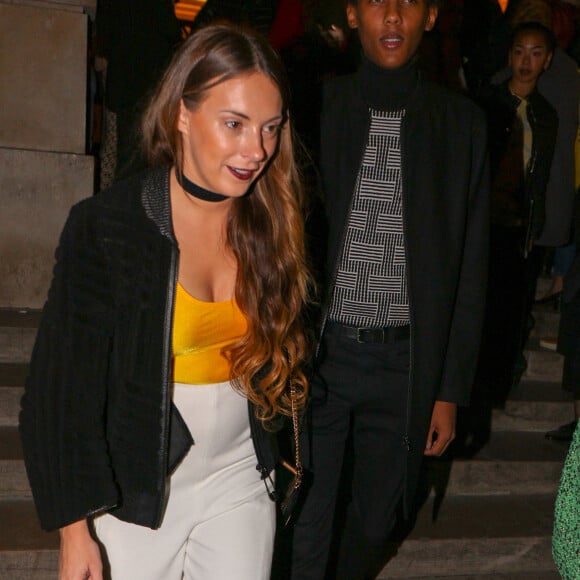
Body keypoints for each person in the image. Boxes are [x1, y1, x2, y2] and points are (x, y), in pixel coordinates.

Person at [19, 22, 311, 580]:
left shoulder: (269, 220)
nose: (257, 151)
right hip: (136, 492)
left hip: (239, 479)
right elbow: (58, 394)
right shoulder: (110, 227)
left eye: (270, 128)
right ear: (182, 112)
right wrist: (74, 529)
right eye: (235, 124)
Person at [289, 1, 489, 578]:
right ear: (352, 15)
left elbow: (470, 265)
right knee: (305, 516)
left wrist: (448, 388)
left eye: (409, 2)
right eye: (378, 0)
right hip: (320, 357)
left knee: (379, 521)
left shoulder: (461, 124)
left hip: (404, 363)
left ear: (431, 16)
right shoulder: (317, 109)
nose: (393, 16)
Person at [476, 21, 558, 401]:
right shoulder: (486, 104)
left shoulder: (545, 114)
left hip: (519, 228)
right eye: (520, 52)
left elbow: (540, 178)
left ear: (547, 60)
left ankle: (497, 386)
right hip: (483, 222)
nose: (527, 61)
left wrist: (536, 228)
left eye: (536, 53)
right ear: (510, 56)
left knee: (510, 314)